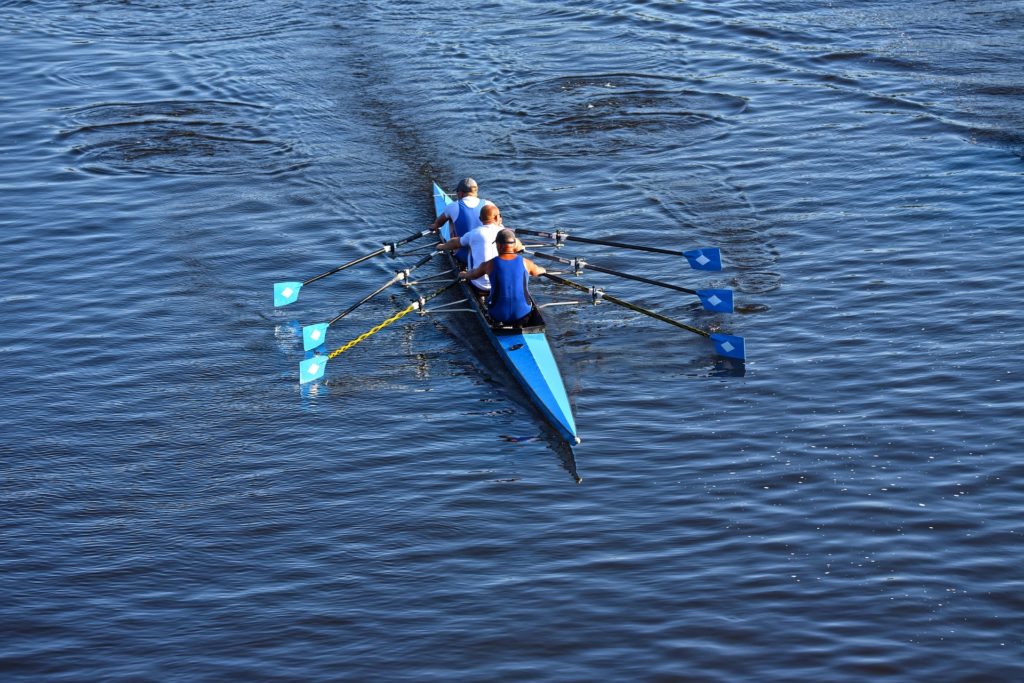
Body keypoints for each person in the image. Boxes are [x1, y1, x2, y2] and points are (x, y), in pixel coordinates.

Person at [459, 228, 546, 325]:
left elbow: (473, 275)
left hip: (498, 316)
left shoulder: (489, 264)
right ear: (514, 245)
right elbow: (538, 271)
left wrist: (464, 274)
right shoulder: (526, 263)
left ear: (498, 245)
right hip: (523, 315)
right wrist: (544, 270)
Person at [436, 204, 520, 293]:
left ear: (480, 219)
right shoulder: (506, 235)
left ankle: (467, 273)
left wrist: (441, 246)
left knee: (469, 246)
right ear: (496, 218)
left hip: (479, 285)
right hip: (501, 285)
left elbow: (455, 243)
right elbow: (518, 246)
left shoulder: (474, 233)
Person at [431, 177, 492, 263]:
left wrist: (434, 227)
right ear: (475, 191)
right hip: (488, 257)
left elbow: (438, 224)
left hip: (463, 256)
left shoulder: (453, 206)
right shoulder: (489, 205)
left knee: (450, 219)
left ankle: (452, 247)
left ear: (460, 193)